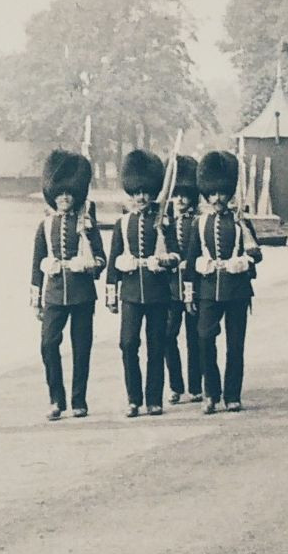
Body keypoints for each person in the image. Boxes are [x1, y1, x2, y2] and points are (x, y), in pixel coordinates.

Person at [182, 150, 263, 414]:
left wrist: (243, 257)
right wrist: (189, 293)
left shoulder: (240, 220)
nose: (217, 198)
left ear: (229, 193)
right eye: (213, 193)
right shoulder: (200, 222)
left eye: (222, 193)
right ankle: (211, 393)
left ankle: (232, 395)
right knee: (204, 339)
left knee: (235, 345)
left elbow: (256, 255)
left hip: (237, 291)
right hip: (207, 291)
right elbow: (191, 258)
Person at [30, 150, 105, 420]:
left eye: (69, 192)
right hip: (54, 293)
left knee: (81, 347)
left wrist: (87, 263)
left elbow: (101, 259)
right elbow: (36, 262)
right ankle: (56, 400)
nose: (64, 197)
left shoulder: (86, 223)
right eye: (59, 192)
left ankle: (79, 401)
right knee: (48, 344)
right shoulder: (46, 224)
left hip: (83, 293)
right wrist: (36, 298)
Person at [106, 149, 178, 418]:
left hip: (158, 293)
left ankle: (154, 399)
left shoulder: (163, 222)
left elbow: (176, 255)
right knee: (127, 344)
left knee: (156, 345)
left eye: (146, 191)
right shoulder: (122, 224)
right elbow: (114, 262)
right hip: (131, 293)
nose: (141, 197)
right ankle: (133, 398)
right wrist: (111, 295)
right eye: (136, 192)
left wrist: (162, 261)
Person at [160, 154, 204, 406]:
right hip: (169, 288)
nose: (179, 200)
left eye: (183, 195)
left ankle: (196, 385)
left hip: (194, 285)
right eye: (175, 195)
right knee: (168, 335)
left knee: (194, 336)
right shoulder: (165, 222)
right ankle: (176, 385)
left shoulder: (197, 222)